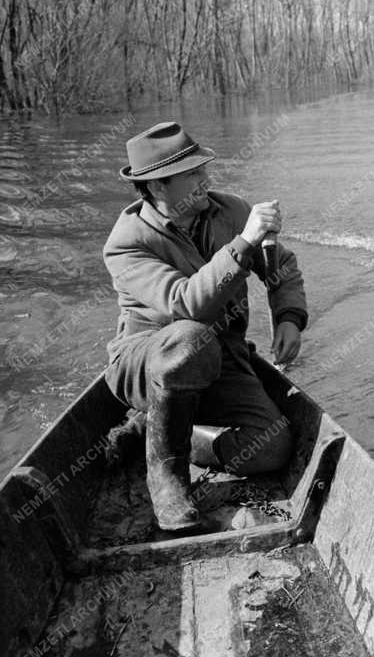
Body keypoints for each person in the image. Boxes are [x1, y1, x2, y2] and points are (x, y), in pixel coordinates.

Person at [103, 121, 307, 531]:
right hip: (147, 363)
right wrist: (242, 244)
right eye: (192, 174)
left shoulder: (229, 210)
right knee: (191, 339)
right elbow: (184, 305)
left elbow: (280, 266)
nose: (205, 179)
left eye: (202, 170)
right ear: (158, 188)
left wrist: (289, 316)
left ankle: (158, 429)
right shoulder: (127, 243)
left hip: (219, 359)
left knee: (271, 448)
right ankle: (167, 479)